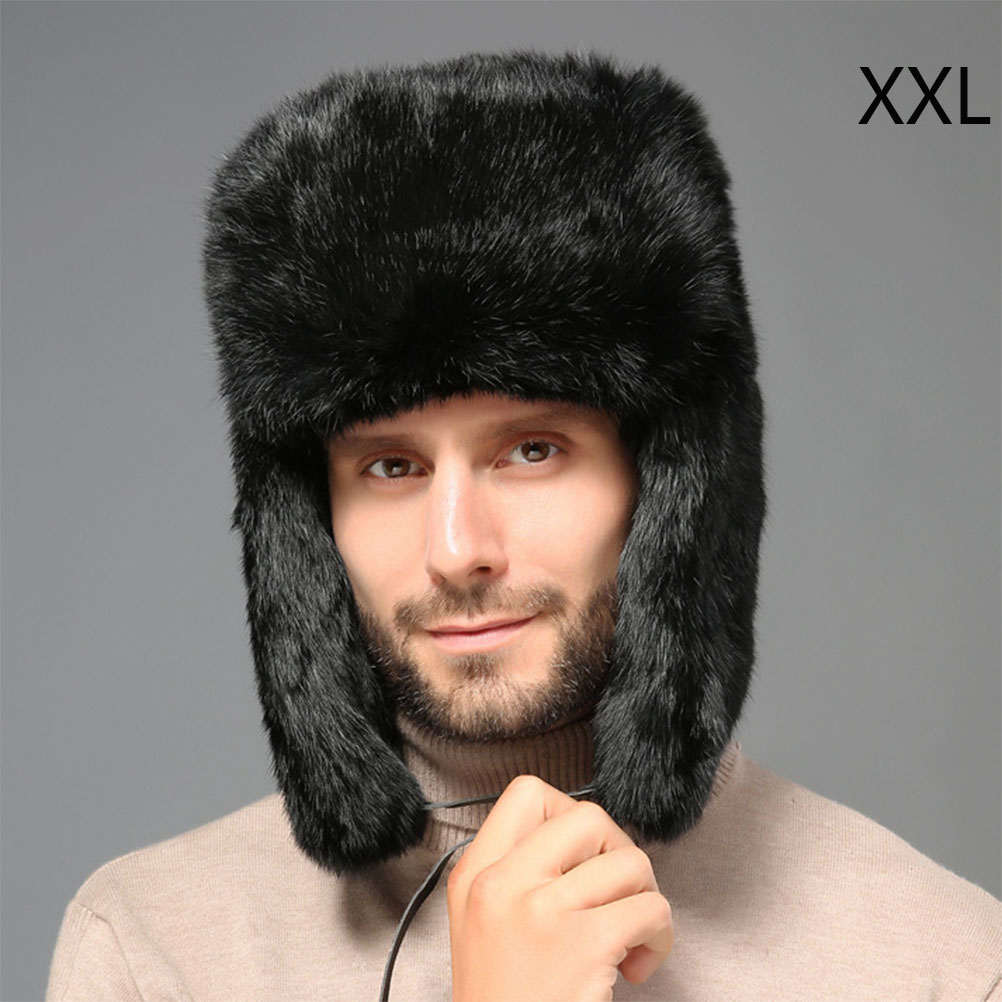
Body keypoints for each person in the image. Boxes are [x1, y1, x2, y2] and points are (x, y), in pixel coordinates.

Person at [47, 50, 1000, 1002]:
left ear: (671, 484)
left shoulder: (940, 964)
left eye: (532, 450)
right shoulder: (151, 953)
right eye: (391, 467)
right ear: (304, 518)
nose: (458, 550)